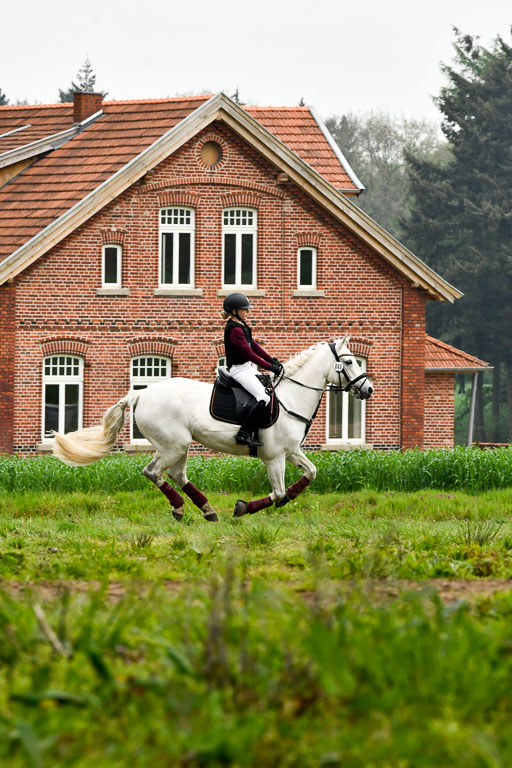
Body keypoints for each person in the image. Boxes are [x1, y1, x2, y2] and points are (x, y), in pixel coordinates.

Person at [222, 292, 283, 447]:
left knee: (269, 389)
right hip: (239, 370)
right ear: (235, 311)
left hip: (247, 368)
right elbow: (249, 354)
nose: (247, 312)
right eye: (244, 309)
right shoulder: (234, 330)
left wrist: (271, 359)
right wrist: (270, 367)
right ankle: (243, 433)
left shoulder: (242, 326)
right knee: (264, 398)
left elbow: (254, 345)